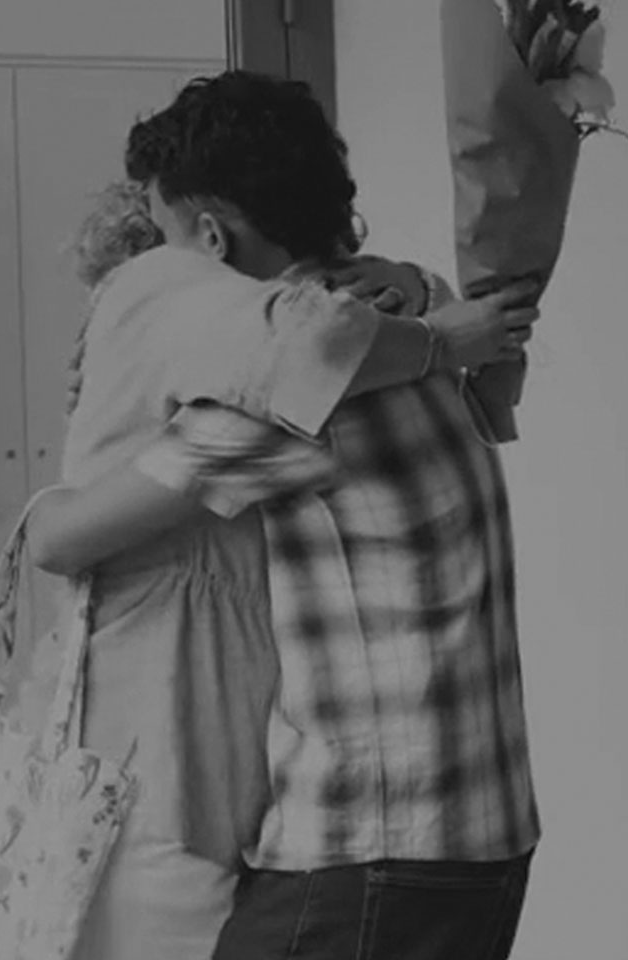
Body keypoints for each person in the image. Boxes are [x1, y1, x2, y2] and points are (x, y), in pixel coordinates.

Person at [29, 73, 539, 960]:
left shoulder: (287, 402)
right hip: (479, 831)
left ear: (212, 238)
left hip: (366, 843)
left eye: (167, 243)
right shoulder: (416, 313)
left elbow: (59, 543)